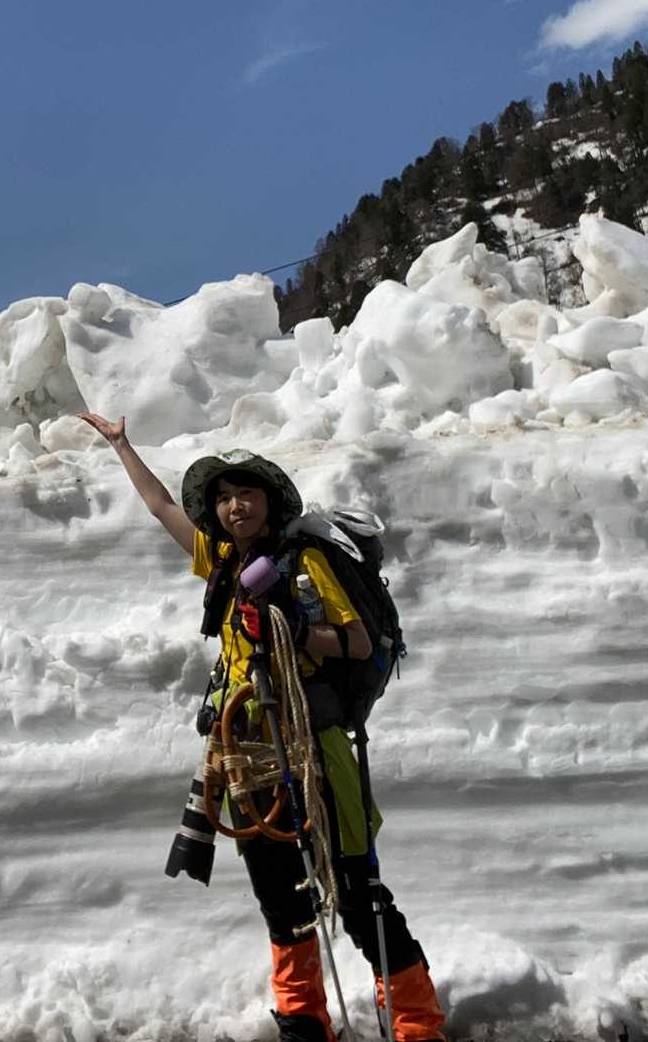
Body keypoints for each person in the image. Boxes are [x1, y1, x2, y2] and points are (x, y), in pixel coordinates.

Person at [78, 413, 446, 1042]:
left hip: (313, 746)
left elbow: (357, 642)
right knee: (281, 897)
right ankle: (304, 1024)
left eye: (245, 493)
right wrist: (121, 444)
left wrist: (293, 628)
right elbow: (162, 506)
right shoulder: (224, 561)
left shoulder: (302, 562)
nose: (234, 506)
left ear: (270, 501)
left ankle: (417, 1024)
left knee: (354, 887)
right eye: (223, 497)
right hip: (247, 752)